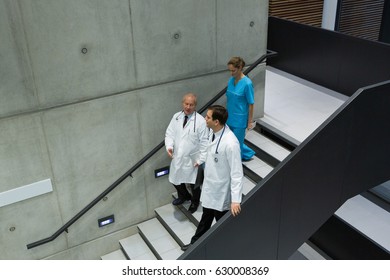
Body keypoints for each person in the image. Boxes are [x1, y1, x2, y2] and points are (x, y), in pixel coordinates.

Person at [181, 105, 243, 251]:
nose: (205, 119)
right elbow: (207, 150)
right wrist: (199, 160)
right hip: (210, 187)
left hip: (221, 191)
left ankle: (228, 250)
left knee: (222, 225)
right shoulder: (212, 132)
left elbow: (237, 173)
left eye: (208, 117)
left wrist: (235, 200)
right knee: (205, 218)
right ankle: (195, 244)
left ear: (216, 121)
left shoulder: (231, 143)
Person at [165, 93, 208, 213]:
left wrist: (200, 159)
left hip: (193, 158)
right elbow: (170, 133)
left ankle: (194, 202)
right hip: (178, 156)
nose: (188, 107)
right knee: (175, 179)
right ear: (182, 103)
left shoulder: (200, 121)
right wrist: (169, 146)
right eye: (186, 104)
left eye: (191, 104)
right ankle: (184, 196)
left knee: (194, 184)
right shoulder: (176, 117)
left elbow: (205, 142)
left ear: (195, 106)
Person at [226, 56, 256, 161]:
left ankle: (237, 166)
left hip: (240, 120)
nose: (231, 73)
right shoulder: (231, 80)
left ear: (240, 68)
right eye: (230, 71)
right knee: (230, 142)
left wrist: (249, 122)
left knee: (236, 144)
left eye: (233, 71)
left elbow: (251, 104)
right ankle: (248, 154)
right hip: (229, 117)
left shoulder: (247, 84)